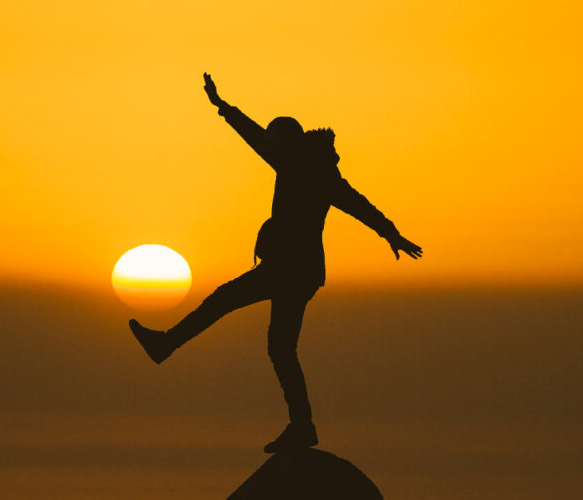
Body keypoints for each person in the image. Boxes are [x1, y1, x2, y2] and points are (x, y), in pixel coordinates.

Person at [129, 73, 422, 453]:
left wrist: (391, 233)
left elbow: (357, 204)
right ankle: (302, 426)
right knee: (279, 347)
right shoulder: (304, 163)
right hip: (297, 271)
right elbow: (257, 139)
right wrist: (223, 107)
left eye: (274, 145)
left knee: (227, 303)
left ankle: (166, 345)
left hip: (290, 270)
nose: (271, 151)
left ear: (286, 144)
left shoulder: (308, 169)